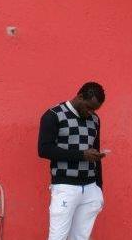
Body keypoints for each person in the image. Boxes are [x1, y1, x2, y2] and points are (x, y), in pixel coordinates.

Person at [38, 82, 107, 240]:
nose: (91, 113)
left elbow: (95, 152)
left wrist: (99, 187)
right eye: (89, 108)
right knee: (58, 237)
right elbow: (44, 150)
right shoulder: (53, 115)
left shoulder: (95, 119)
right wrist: (81, 155)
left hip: (91, 188)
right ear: (80, 97)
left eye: (95, 110)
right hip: (65, 186)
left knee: (81, 237)